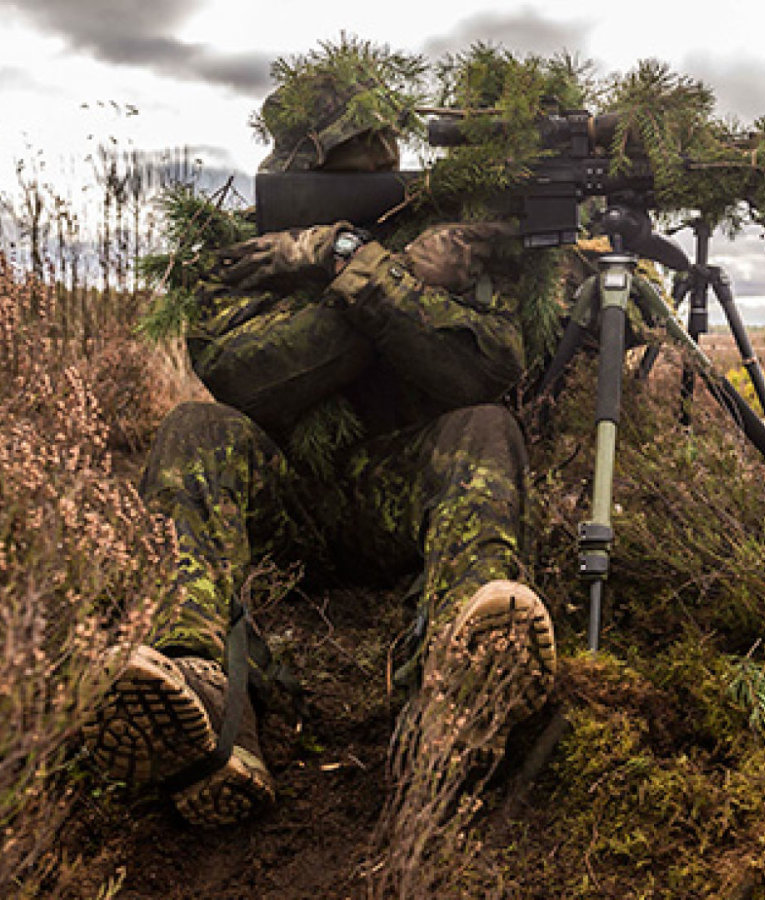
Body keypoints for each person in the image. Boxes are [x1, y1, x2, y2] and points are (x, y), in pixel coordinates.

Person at [83, 52, 558, 828]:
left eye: (382, 154)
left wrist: (366, 264)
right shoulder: (245, 251)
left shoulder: (444, 241)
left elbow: (485, 370)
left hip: (396, 501)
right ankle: (203, 690)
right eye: (348, 161)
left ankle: (462, 676)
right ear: (298, 166)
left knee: (486, 430)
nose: (378, 168)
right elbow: (245, 373)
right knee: (194, 430)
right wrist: (361, 269)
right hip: (284, 506)